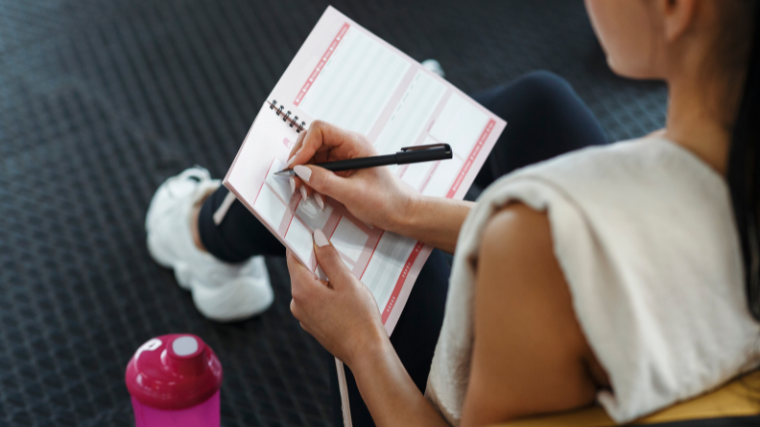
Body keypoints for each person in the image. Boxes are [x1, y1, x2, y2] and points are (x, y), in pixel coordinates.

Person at [146, 0, 760, 425]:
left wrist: (360, 343)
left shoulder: (537, 237)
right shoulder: (709, 166)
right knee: (540, 105)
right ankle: (214, 231)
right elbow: (621, 237)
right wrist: (407, 208)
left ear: (678, 8)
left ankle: (203, 230)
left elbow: (554, 246)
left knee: (370, 249)